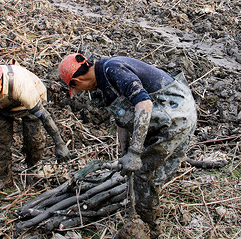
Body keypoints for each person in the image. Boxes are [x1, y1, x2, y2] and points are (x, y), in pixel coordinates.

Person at [58, 53, 197, 238]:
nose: (85, 92)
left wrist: (135, 151)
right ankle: (148, 210)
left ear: (76, 81)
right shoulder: (103, 78)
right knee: (153, 174)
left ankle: (148, 229)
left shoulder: (112, 69)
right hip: (171, 117)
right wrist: (124, 154)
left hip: (174, 117)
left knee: (143, 175)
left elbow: (144, 103)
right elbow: (122, 120)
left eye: (79, 89)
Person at [0, 58, 70, 187]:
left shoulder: (22, 87)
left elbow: (44, 116)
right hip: (2, 105)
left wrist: (60, 144)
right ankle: (4, 176)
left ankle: (33, 171)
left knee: (33, 139)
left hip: (28, 105)